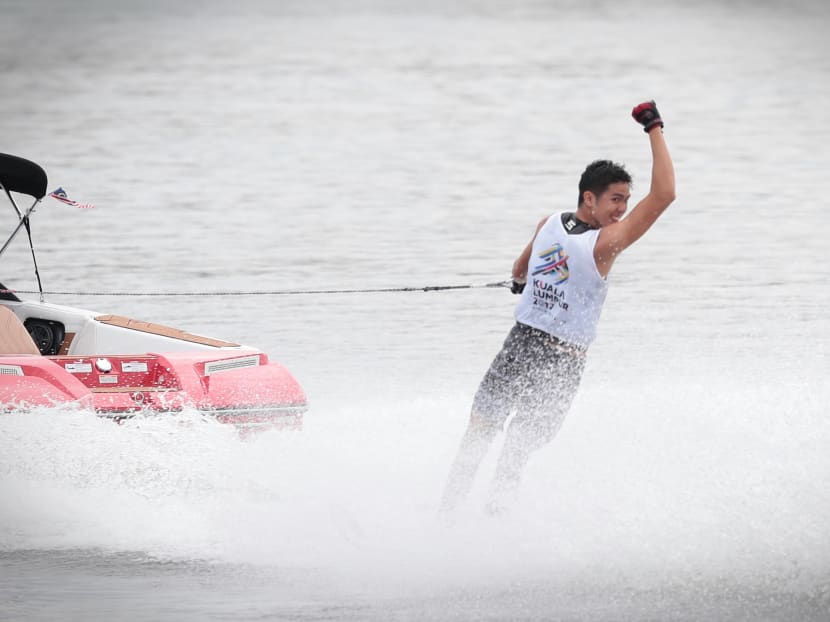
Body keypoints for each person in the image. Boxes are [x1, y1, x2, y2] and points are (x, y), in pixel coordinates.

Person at [439, 100, 675, 515]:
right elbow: (665, 195)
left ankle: (446, 517)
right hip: (560, 361)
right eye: (616, 200)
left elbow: (520, 268)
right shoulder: (605, 244)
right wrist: (653, 127)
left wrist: (521, 283)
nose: (622, 210)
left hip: (520, 345)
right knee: (513, 450)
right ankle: (489, 527)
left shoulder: (549, 222)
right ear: (590, 197)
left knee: (479, 433)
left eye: (626, 200)